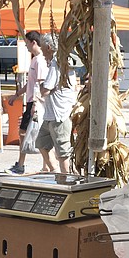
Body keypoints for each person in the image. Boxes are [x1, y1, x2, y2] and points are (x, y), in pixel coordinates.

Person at [6, 31, 51, 174]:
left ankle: (22, 165)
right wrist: (17, 94)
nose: (26, 46)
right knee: (35, 133)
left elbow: (40, 84)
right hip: (33, 101)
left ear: (33, 42)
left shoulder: (39, 60)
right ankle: (45, 166)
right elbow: (31, 83)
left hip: (35, 102)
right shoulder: (36, 59)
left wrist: (36, 104)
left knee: (25, 132)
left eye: (27, 43)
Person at [36, 32, 77, 174]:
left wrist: (43, 87)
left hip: (59, 115)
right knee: (41, 143)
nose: (42, 52)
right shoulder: (59, 62)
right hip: (50, 115)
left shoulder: (56, 63)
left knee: (62, 153)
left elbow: (45, 89)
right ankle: (55, 171)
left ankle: (66, 178)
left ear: (48, 47)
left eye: (42, 48)